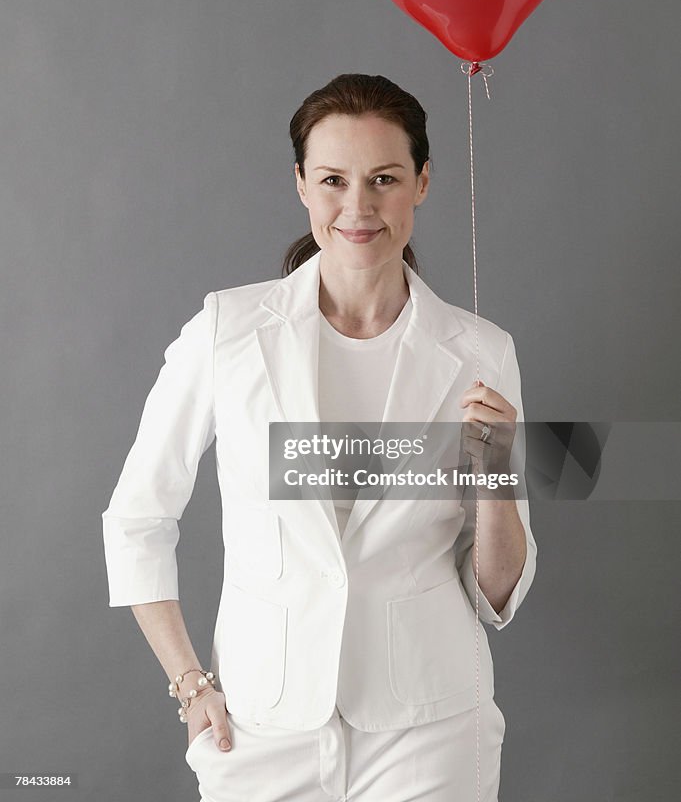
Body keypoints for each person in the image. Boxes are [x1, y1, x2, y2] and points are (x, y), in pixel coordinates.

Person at [102, 72, 537, 802]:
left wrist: (495, 476)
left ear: (423, 183)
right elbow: (137, 519)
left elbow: (497, 592)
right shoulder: (227, 331)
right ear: (301, 184)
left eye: (384, 179)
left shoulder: (482, 352)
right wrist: (189, 685)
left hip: (430, 727)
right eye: (333, 179)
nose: (357, 207)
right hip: (258, 724)